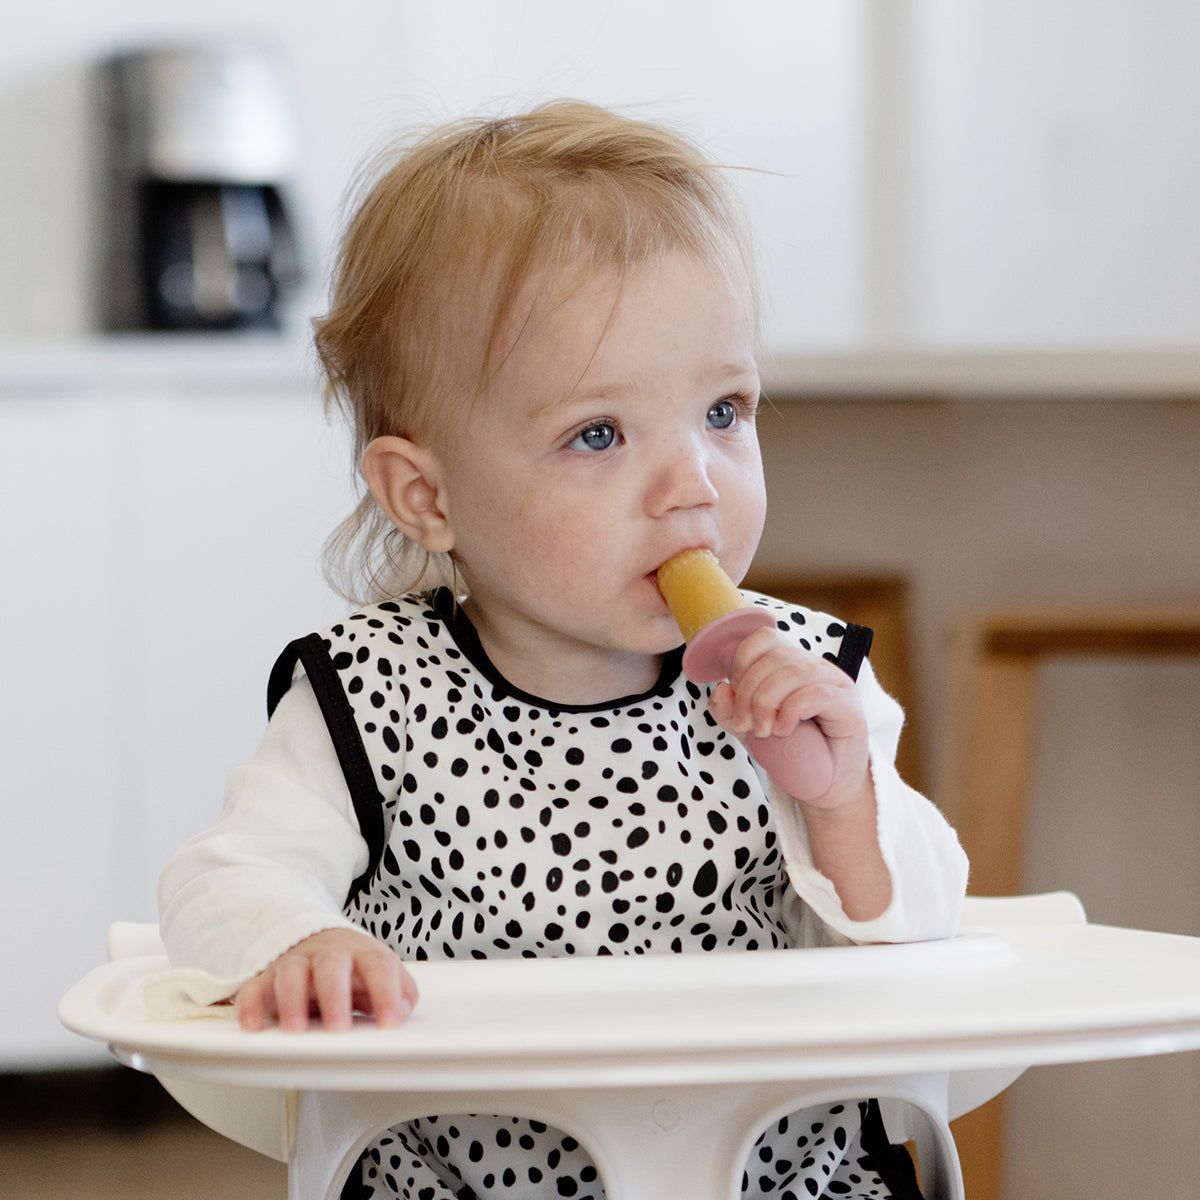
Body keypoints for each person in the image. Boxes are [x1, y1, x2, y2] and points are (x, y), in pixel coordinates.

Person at [157, 99, 968, 1200]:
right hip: (461, 1174)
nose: (694, 483)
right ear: (426, 496)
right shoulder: (369, 696)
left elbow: (927, 936)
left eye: (725, 411)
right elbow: (222, 881)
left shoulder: (800, 681)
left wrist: (843, 804)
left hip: (774, 1175)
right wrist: (293, 945)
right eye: (599, 434)